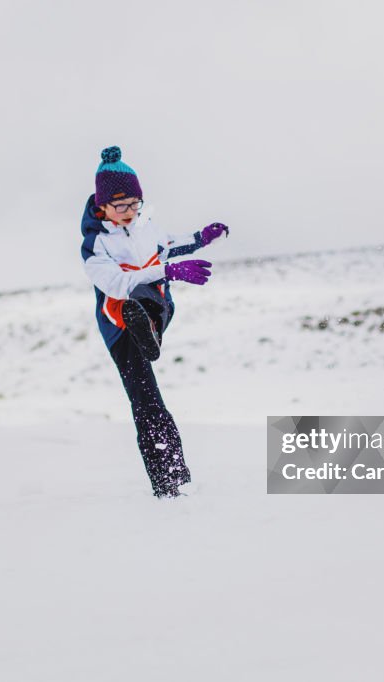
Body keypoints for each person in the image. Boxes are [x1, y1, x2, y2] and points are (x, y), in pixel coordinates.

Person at [79, 146, 230, 498]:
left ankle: (151, 330)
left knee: (151, 294)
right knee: (147, 401)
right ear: (103, 206)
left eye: (135, 204)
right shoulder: (95, 245)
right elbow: (115, 283)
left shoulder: (145, 226)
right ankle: (169, 478)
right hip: (120, 328)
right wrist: (168, 271)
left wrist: (200, 239)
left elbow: (167, 245)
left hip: (157, 310)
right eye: (121, 206)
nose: (130, 212)